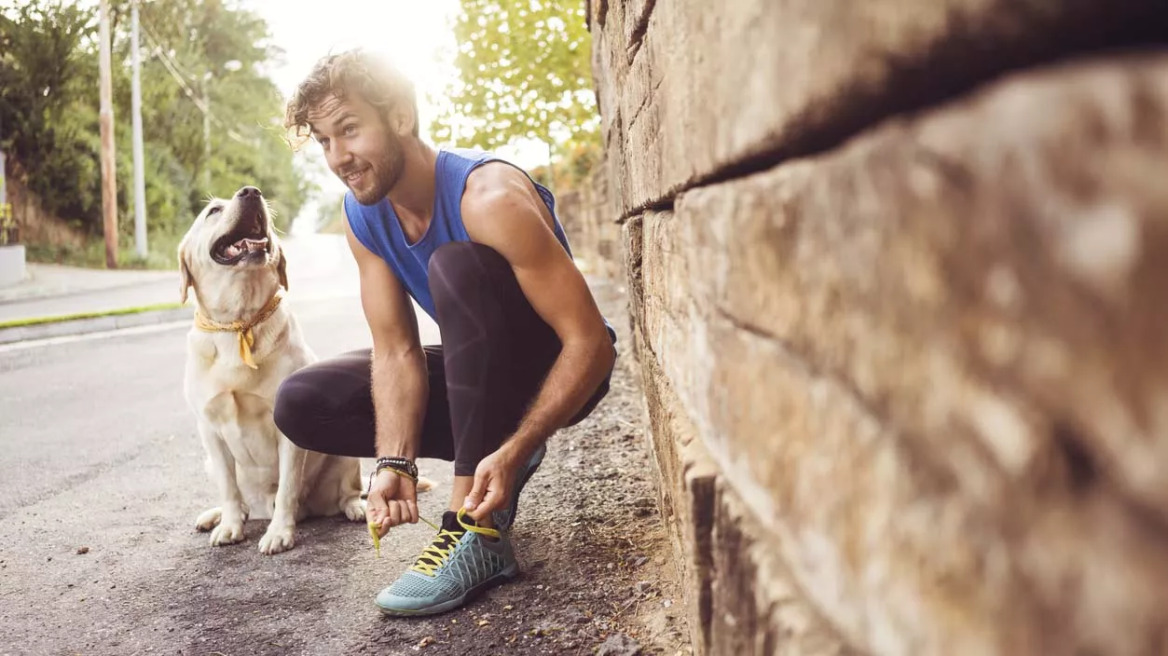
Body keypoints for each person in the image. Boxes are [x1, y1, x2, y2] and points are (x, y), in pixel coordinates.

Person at [274, 49, 617, 616]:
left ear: (401, 117)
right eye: (324, 141)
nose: (339, 156)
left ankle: (473, 532)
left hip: (557, 370)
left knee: (456, 267)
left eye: (350, 130)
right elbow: (396, 350)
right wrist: (395, 463)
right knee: (303, 402)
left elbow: (592, 345)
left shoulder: (489, 197)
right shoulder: (363, 216)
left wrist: (519, 445)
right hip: (479, 372)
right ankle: (485, 456)